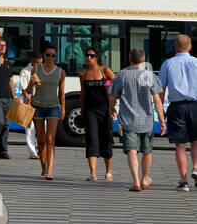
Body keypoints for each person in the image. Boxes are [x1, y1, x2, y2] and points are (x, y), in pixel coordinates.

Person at [110, 47, 166, 192]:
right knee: (147, 151)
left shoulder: (122, 75)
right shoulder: (150, 76)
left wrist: (111, 109)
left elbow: (113, 96)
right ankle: (144, 178)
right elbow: (157, 101)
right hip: (146, 121)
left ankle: (135, 180)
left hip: (128, 120)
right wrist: (161, 120)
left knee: (132, 150)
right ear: (144, 59)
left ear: (130, 59)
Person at [158, 33, 197, 192]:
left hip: (177, 107)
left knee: (180, 145)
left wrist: (160, 112)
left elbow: (160, 89)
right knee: (196, 141)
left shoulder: (168, 64)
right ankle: (196, 168)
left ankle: (183, 181)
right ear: (190, 47)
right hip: (196, 105)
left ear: (174, 47)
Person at [23, 46, 65, 180]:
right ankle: (43, 168)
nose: (50, 58)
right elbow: (28, 91)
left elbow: (62, 93)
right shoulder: (36, 69)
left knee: (50, 139)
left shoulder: (60, 72)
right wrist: (32, 83)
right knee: (41, 140)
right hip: (38, 106)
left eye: (53, 55)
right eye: (48, 55)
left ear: (56, 57)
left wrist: (63, 108)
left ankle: (50, 170)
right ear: (44, 55)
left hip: (53, 107)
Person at [79, 48, 115, 181]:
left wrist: (112, 105)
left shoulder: (105, 71)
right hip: (90, 110)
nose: (88, 58)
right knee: (92, 139)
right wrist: (82, 110)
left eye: (91, 56)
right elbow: (82, 93)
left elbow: (115, 87)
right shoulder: (83, 74)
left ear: (97, 57)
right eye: (87, 55)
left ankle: (108, 171)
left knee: (106, 139)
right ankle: (93, 173)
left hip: (104, 110)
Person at [0, 39, 14, 159]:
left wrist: (14, 97)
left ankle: (3, 151)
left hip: (8, 98)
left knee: (6, 125)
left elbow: (11, 81)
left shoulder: (8, 63)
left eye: (4, 45)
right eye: (0, 45)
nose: (2, 47)